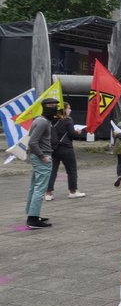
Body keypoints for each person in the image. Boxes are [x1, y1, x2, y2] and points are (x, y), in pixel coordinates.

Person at [24, 97, 60, 229]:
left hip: (38, 156)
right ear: (45, 106)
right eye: (52, 105)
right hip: (42, 157)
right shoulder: (43, 122)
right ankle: (33, 219)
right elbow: (33, 142)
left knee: (34, 187)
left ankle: (33, 215)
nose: (55, 107)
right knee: (40, 188)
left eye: (55, 105)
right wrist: (43, 156)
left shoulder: (40, 120)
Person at [45, 102, 85, 201]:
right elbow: (72, 134)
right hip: (66, 148)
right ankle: (73, 191)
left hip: (54, 148)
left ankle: (48, 193)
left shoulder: (51, 120)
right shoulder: (68, 120)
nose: (70, 110)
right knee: (71, 170)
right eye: (69, 108)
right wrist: (78, 132)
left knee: (52, 171)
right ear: (64, 110)